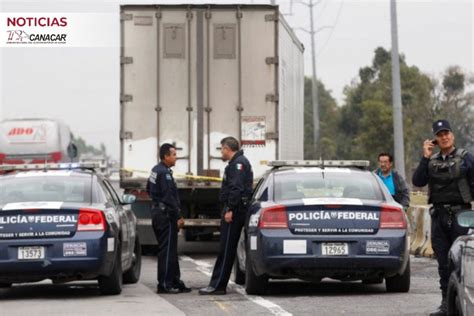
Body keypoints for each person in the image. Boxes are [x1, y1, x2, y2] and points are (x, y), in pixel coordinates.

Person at [412, 119, 474, 315]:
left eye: (446, 133)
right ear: (435, 139)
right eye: (440, 135)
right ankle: (446, 304)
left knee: (462, 261)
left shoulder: (466, 158)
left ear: (452, 135)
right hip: (438, 217)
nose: (444, 137)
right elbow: (418, 181)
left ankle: (464, 302)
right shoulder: (430, 161)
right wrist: (425, 156)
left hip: (461, 216)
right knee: (443, 264)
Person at [199, 137, 253, 295]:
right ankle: (217, 284)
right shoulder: (237, 162)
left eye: (222, 148)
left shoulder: (237, 164)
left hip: (235, 212)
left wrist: (229, 209)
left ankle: (218, 286)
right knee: (226, 249)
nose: (221, 152)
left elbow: (236, 188)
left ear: (228, 148)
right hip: (235, 210)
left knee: (226, 249)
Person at [147, 143, 191, 294]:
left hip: (158, 213)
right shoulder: (164, 173)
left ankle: (174, 280)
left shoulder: (156, 170)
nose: (176, 157)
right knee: (166, 251)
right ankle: (165, 284)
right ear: (166, 156)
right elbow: (168, 197)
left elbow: (149, 189)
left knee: (171, 250)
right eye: (173, 155)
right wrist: (178, 216)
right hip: (166, 215)